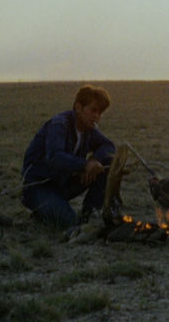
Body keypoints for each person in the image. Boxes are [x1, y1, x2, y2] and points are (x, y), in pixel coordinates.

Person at [21, 84, 116, 228]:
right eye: (93, 110)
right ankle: (45, 210)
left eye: (100, 112)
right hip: (40, 186)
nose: (97, 116)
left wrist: (94, 159)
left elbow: (109, 146)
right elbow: (54, 157)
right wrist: (84, 165)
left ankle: (89, 214)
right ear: (79, 107)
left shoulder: (88, 128)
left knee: (106, 163)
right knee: (70, 223)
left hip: (62, 184)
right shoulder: (60, 125)